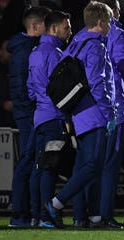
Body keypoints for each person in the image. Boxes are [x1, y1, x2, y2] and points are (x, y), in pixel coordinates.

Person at [45, 2, 115, 228]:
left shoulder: (75, 43)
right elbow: (96, 82)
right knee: (93, 166)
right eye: (110, 21)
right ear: (101, 22)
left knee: (86, 167)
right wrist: (109, 112)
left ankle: (84, 217)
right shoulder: (95, 46)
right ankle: (56, 204)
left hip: (78, 113)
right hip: (94, 113)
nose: (112, 25)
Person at [92, 0, 124, 229]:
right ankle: (105, 215)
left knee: (91, 163)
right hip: (113, 106)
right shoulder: (118, 34)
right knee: (110, 165)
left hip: (90, 108)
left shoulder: (84, 36)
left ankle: (87, 214)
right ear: (113, 13)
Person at [28, 11, 72, 228]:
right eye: (67, 28)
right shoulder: (55, 53)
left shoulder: (34, 52)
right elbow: (60, 91)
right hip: (54, 117)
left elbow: (30, 90)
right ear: (54, 28)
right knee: (50, 168)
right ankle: (48, 216)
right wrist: (64, 116)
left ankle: (36, 215)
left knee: (40, 167)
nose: (70, 33)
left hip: (40, 118)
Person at [8, 6, 50, 227]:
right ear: (35, 26)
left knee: (30, 161)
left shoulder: (26, 49)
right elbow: (22, 88)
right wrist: (33, 111)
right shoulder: (26, 51)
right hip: (29, 115)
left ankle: (24, 213)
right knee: (27, 162)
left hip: (29, 114)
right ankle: (19, 214)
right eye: (47, 24)